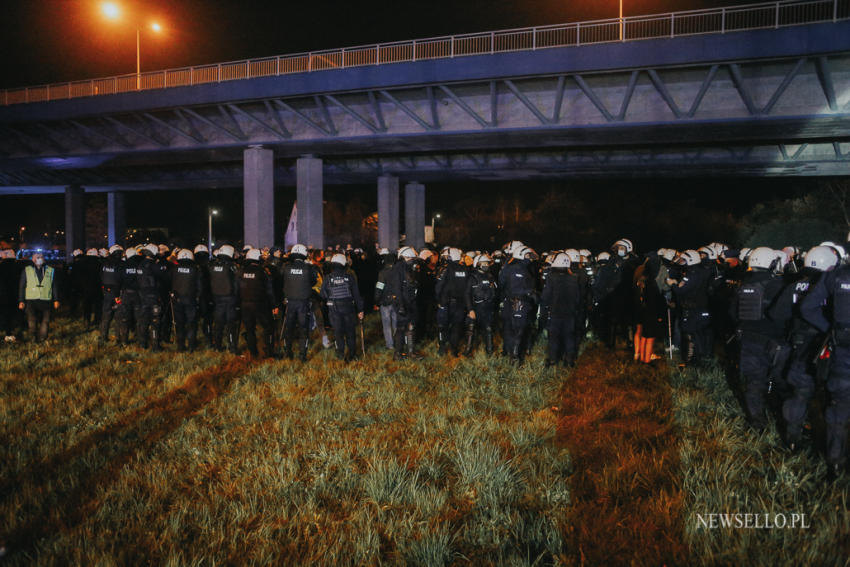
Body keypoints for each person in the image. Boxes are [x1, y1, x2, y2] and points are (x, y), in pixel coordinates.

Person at [769, 245, 838, 451]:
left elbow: (776, 315)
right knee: (832, 395)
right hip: (826, 345)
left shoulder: (794, 285)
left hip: (800, 346)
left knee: (800, 392)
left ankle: (792, 439)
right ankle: (830, 445)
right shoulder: (831, 286)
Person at [801, 246, 850, 477]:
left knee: (838, 408)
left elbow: (807, 307)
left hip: (842, 352)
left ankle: (835, 464)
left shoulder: (835, 275)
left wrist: (830, 330)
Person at [731, 247, 787, 432]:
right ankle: (784, 421)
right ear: (771, 263)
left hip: (748, 340)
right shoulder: (778, 284)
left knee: (754, 382)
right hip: (774, 340)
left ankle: (757, 424)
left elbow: (733, 312)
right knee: (780, 381)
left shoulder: (742, 284)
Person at [320, 253, 365, 361]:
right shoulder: (349, 277)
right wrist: (360, 310)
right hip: (348, 308)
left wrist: (329, 299)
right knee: (350, 332)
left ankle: (340, 353)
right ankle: (352, 355)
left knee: (338, 332)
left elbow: (322, 295)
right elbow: (356, 295)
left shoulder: (327, 278)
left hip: (334, 309)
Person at [499, 245, 537, 364]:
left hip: (509, 302)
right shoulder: (519, 269)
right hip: (519, 302)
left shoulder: (512, 268)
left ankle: (509, 352)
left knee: (510, 328)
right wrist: (530, 293)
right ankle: (514, 357)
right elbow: (518, 288)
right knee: (518, 330)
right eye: (527, 255)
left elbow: (502, 284)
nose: (529, 258)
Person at [541, 252, 580, 367]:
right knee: (569, 337)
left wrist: (543, 312)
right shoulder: (574, 278)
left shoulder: (551, 278)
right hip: (570, 313)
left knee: (554, 337)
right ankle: (569, 360)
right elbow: (577, 298)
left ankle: (553, 360)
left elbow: (546, 296)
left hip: (555, 313)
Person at [238, 248, 278, 358]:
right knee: (268, 327)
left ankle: (253, 353)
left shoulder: (241, 271)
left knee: (250, 329)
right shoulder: (263, 271)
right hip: (260, 305)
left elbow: (237, 289)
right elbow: (269, 290)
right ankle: (269, 352)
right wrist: (274, 305)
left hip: (245, 305)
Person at [281, 244, 318, 361]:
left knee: (289, 328)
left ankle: (288, 353)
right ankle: (302, 355)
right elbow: (313, 282)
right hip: (303, 303)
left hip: (290, 302)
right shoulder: (309, 268)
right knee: (303, 328)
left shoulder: (286, 267)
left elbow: (282, 281)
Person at [17, 252, 60, 343]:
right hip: (31, 299)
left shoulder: (50, 270)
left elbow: (54, 286)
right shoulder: (27, 270)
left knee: (46, 320)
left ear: (44, 259)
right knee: (32, 319)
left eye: (41, 257)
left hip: (46, 299)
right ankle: (33, 337)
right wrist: (21, 300)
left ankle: (42, 338)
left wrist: (56, 299)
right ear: (33, 259)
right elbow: (22, 286)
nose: (39, 259)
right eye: (37, 257)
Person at [387, 246, 421, 360]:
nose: (412, 260)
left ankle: (411, 353)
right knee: (401, 328)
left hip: (411, 301)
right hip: (402, 302)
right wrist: (401, 304)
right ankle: (398, 353)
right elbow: (397, 288)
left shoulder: (410, 267)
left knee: (411, 326)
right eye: (410, 257)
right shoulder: (398, 269)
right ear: (404, 257)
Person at [435, 247, 469, 356]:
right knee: (456, 327)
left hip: (446, 302)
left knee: (442, 326)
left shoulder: (445, 269)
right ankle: (454, 350)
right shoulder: (464, 269)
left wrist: (438, 300)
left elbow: (439, 287)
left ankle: (442, 348)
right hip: (460, 303)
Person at [169, 248, 204, 352]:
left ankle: (180, 346)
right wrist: (197, 298)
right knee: (191, 323)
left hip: (177, 300)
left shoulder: (174, 268)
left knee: (179, 323)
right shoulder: (196, 269)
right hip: (191, 300)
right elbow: (200, 286)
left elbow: (169, 282)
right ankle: (191, 346)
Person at [208, 244, 240, 353]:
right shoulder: (231, 266)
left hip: (217, 298)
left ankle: (217, 346)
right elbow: (236, 284)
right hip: (230, 299)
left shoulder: (212, 265)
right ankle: (232, 347)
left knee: (218, 324)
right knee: (231, 325)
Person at [463, 253, 497, 355]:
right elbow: (467, 294)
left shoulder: (491, 277)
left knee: (488, 329)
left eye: (487, 263)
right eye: (484, 263)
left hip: (487, 307)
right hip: (476, 307)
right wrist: (470, 310)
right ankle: (468, 351)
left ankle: (489, 351)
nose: (486, 265)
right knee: (471, 329)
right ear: (477, 264)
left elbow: (495, 291)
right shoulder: (472, 277)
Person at [98, 244, 124, 343]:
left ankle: (103, 337)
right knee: (119, 317)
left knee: (106, 316)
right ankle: (118, 338)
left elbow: (101, 277)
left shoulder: (104, 263)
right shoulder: (121, 264)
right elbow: (120, 280)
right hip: (118, 293)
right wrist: (118, 295)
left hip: (107, 293)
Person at [374, 248, 397, 350]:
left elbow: (379, 287)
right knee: (396, 323)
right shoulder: (398, 272)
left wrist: (377, 300)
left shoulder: (382, 273)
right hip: (396, 301)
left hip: (385, 302)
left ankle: (390, 344)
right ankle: (398, 342)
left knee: (386, 324)